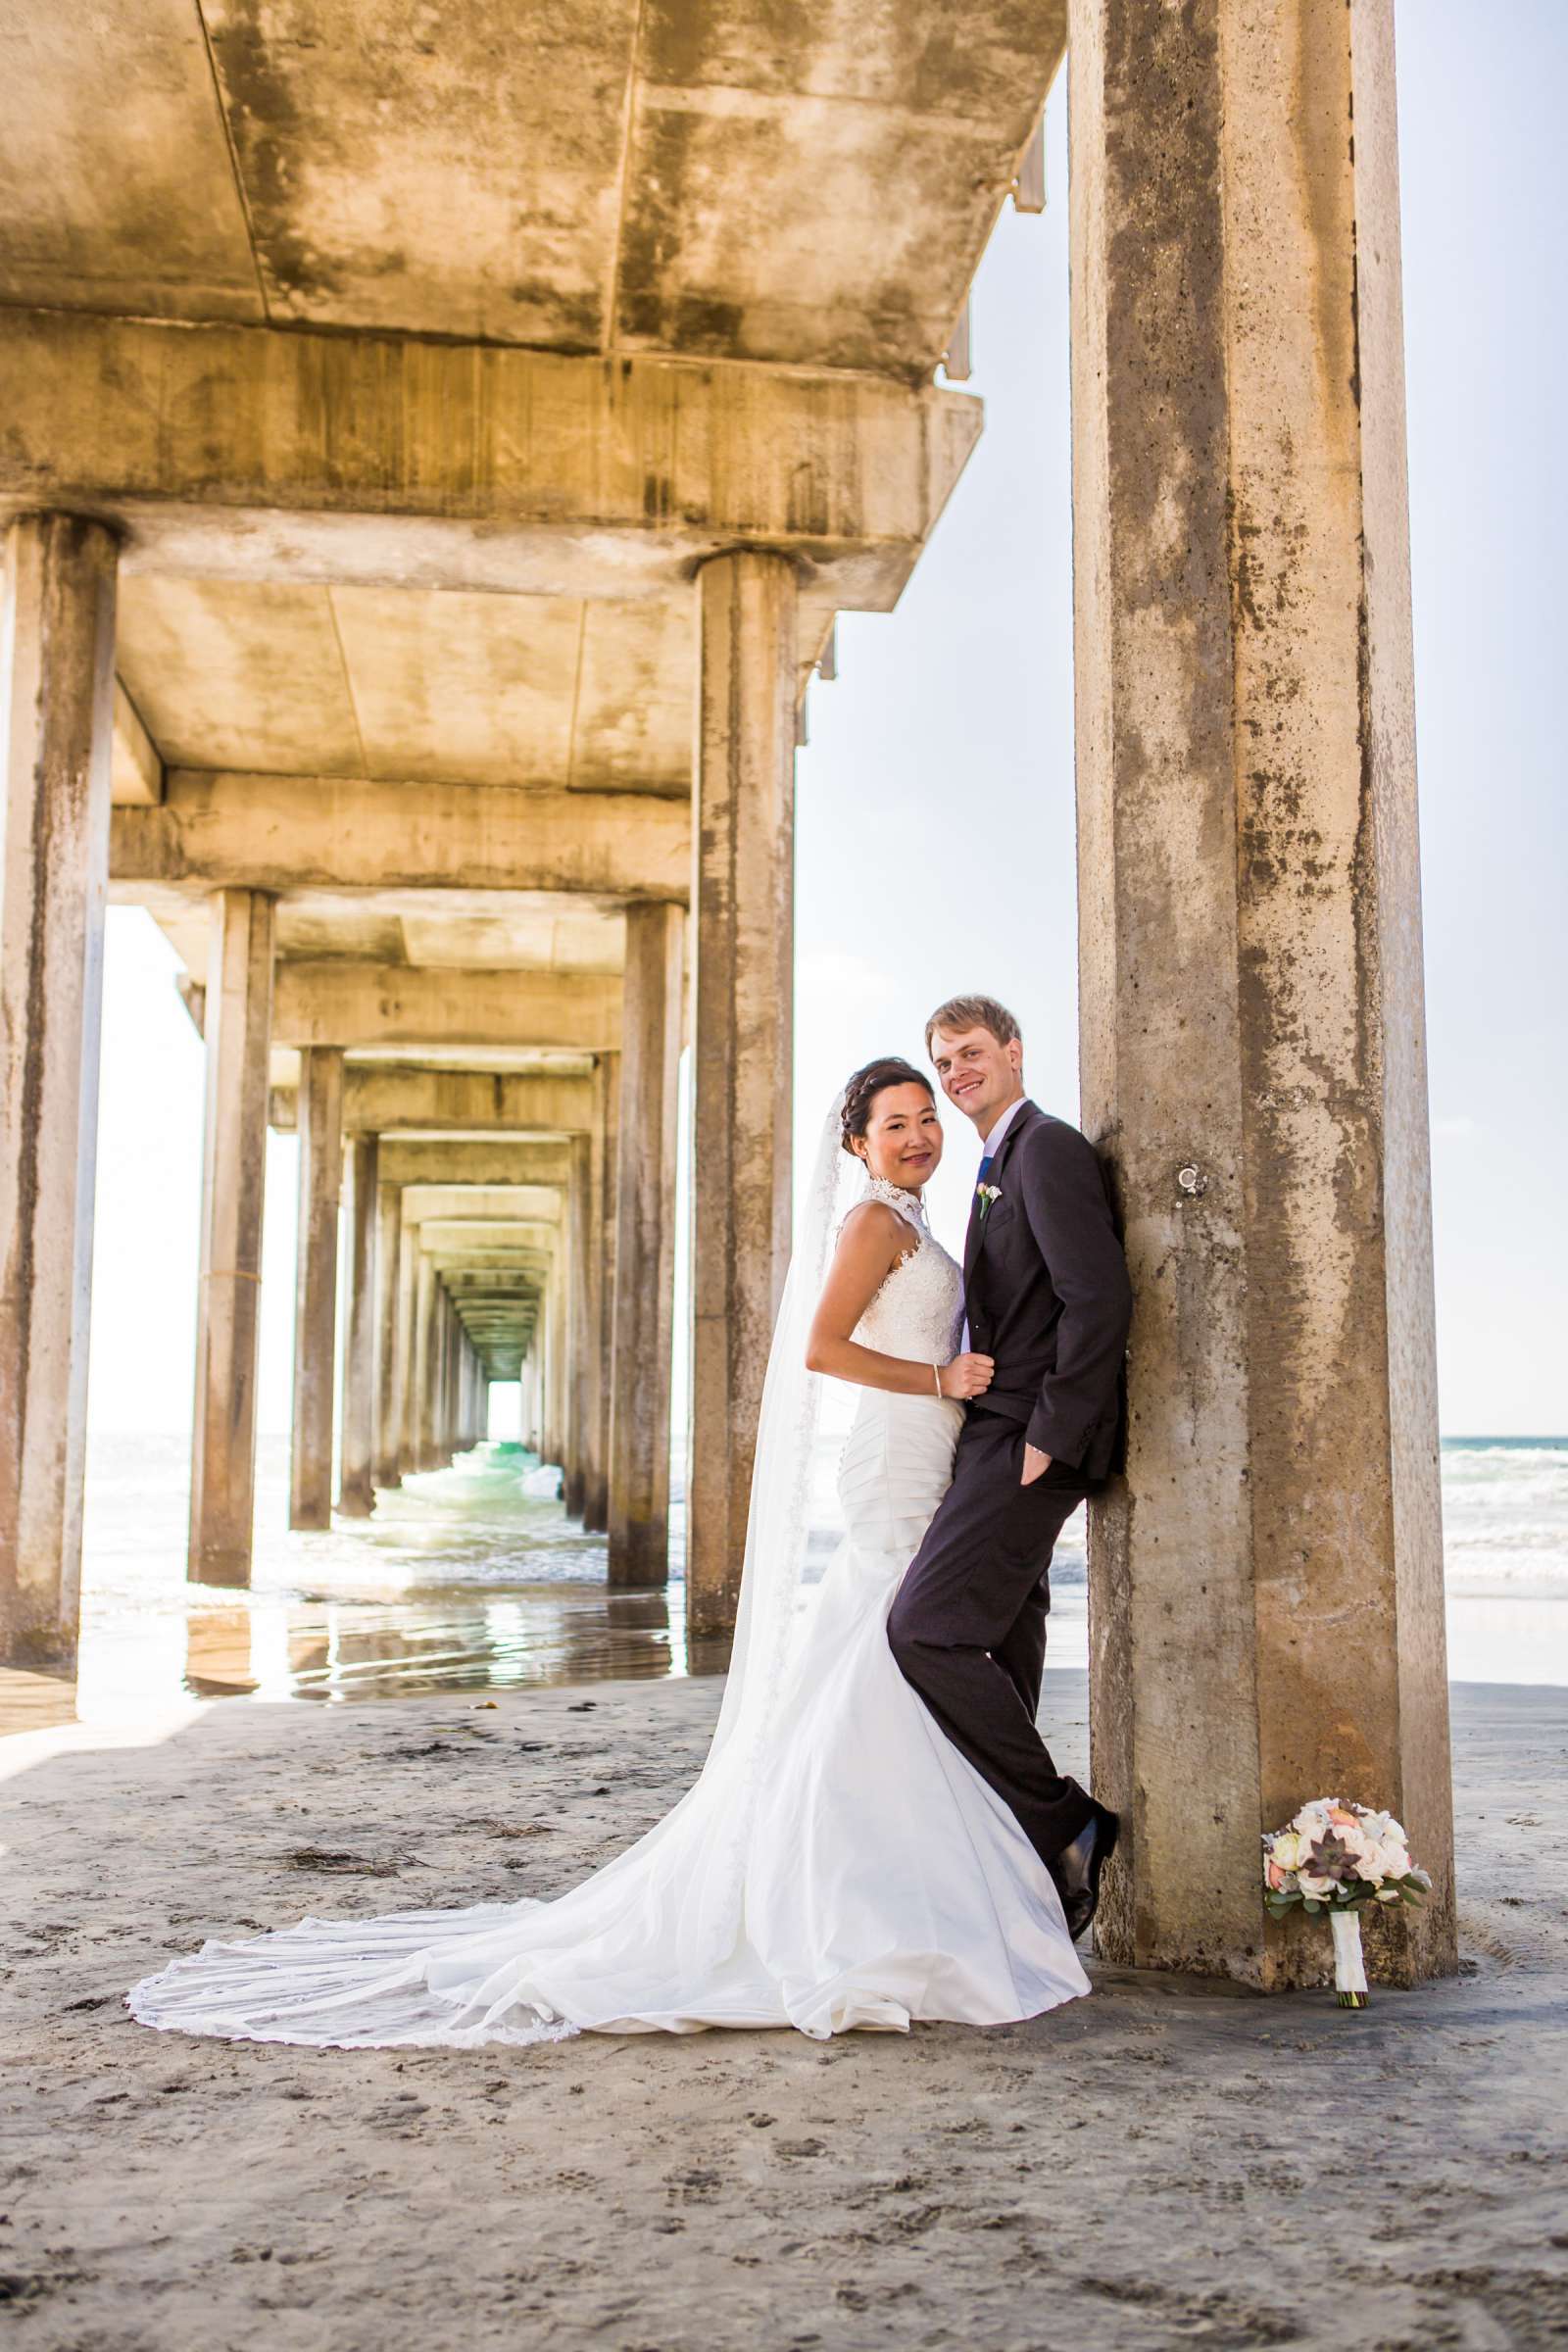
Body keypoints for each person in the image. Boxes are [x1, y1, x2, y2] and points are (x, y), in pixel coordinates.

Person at [128, 1057, 1090, 2049]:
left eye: (926, 1120)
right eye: (894, 1125)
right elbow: (820, 1349)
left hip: (929, 1454)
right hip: (895, 1455)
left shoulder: (919, 1223)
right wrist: (941, 1375)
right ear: (857, 1145)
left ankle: (929, 1876)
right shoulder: (872, 1224)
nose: (918, 1138)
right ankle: (888, 1895)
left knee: (877, 1661)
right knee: (883, 1653)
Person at [889, 997, 1133, 1941]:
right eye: (944, 1062)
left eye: (971, 1055)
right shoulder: (994, 1161)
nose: (956, 1075)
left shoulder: (1048, 1148)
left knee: (925, 1630)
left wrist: (1052, 1433)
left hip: (1031, 1435)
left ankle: (1062, 1817)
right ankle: (1016, 1852)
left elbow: (1096, 1295)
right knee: (1008, 1631)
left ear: (1014, 1053)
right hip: (993, 1428)